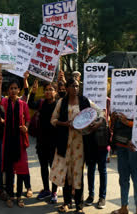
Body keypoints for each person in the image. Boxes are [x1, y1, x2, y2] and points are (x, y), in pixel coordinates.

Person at [50, 78, 104, 214]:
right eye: (73, 86)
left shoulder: (85, 101)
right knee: (67, 174)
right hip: (65, 142)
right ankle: (67, 203)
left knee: (78, 174)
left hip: (80, 144)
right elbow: (53, 120)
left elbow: (100, 113)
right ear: (67, 88)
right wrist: (65, 124)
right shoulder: (61, 103)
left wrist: (97, 123)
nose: (76, 88)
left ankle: (79, 206)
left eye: (77, 86)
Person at [0, 71, 31, 208]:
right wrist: (0, 82)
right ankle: (10, 196)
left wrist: (26, 128)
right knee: (10, 170)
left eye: (15, 88)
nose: (13, 90)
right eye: (11, 88)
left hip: (20, 141)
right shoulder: (5, 102)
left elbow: (28, 119)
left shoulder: (23, 104)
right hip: (8, 140)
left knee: (22, 170)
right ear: (8, 90)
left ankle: (19, 197)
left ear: (18, 90)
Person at [25, 73, 59, 203]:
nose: (48, 92)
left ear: (55, 92)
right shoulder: (41, 103)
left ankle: (54, 191)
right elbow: (30, 104)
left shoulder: (58, 104)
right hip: (41, 141)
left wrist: (62, 80)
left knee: (53, 167)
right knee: (43, 167)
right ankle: (46, 190)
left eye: (51, 89)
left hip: (54, 142)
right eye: (46, 90)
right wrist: (33, 91)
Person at [84, 98, 111, 209]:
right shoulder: (85, 100)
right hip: (90, 141)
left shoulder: (106, 100)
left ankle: (102, 197)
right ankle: (91, 195)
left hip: (102, 141)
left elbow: (107, 117)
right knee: (90, 169)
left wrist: (100, 121)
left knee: (102, 169)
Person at [110, 111, 137, 214]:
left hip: (134, 146)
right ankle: (124, 207)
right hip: (121, 143)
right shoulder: (120, 98)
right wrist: (112, 118)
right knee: (123, 178)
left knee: (136, 180)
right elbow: (113, 125)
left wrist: (127, 122)